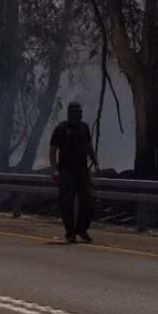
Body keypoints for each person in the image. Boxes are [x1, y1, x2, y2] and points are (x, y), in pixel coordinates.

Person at [49, 101, 99, 243]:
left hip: (82, 170)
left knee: (89, 199)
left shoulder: (84, 127)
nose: (78, 115)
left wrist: (94, 159)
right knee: (67, 203)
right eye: (75, 112)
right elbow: (53, 150)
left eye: (79, 112)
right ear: (69, 113)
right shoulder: (61, 129)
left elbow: (88, 145)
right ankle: (70, 232)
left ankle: (82, 229)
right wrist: (54, 170)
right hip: (66, 171)